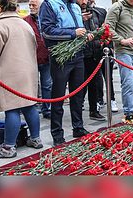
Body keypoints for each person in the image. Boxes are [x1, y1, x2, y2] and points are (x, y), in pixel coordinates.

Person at [0, 0, 43, 158]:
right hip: (28, 71)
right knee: (29, 106)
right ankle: (36, 139)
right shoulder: (25, 24)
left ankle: (8, 148)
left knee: (12, 109)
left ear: (0, 7)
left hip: (9, 73)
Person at [40, 0, 91, 146]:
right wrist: (72, 33)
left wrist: (85, 35)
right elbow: (47, 31)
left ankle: (78, 127)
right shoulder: (49, 4)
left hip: (78, 55)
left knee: (78, 95)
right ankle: (57, 133)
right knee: (58, 96)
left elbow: (79, 29)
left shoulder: (74, 6)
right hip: (61, 58)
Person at [105, 0, 133, 124]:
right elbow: (107, 28)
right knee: (128, 83)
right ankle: (128, 113)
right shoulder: (117, 8)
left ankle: (132, 112)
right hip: (124, 51)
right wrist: (122, 40)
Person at [76, 0, 106, 121]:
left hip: (95, 53)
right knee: (79, 85)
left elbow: (102, 30)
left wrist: (102, 43)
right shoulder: (74, 12)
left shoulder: (97, 13)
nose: (83, 2)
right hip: (80, 55)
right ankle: (78, 111)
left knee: (94, 84)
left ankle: (94, 110)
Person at [24, 0, 52, 120]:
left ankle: (47, 109)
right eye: (30, 5)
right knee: (31, 86)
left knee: (47, 85)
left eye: (33, 5)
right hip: (31, 59)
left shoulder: (47, 18)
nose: (31, 7)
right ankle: (30, 108)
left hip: (46, 58)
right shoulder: (25, 21)